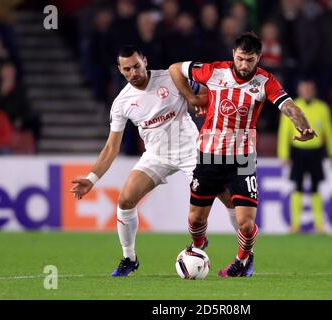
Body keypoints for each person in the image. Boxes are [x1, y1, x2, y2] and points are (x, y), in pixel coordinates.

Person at [70, 45, 236, 277]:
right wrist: (91, 179)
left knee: (229, 197)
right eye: (126, 69)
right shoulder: (122, 102)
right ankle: (129, 258)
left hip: (192, 151)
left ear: (145, 61)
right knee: (125, 200)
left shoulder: (170, 78)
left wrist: (201, 102)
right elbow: (111, 147)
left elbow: (207, 91)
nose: (133, 73)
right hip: (156, 155)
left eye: (136, 66)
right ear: (120, 70)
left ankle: (244, 257)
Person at [169, 32, 316, 278]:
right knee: (195, 220)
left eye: (250, 59)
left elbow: (289, 106)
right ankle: (199, 244)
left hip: (243, 159)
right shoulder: (214, 72)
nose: (244, 65)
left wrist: (303, 126)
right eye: (240, 59)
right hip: (209, 156)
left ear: (258, 57)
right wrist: (192, 97)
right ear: (233, 55)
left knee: (246, 224)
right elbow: (175, 69)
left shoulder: (265, 81)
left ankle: (243, 261)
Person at [278, 78, 332, 234]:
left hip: (316, 152)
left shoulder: (322, 108)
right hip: (298, 151)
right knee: (297, 186)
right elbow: (284, 132)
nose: (306, 92)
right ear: (299, 90)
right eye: (304, 89)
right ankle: (295, 225)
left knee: (316, 187)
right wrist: (283, 154)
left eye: (309, 89)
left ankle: (319, 225)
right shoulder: (292, 107)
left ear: (314, 91)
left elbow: (329, 131)